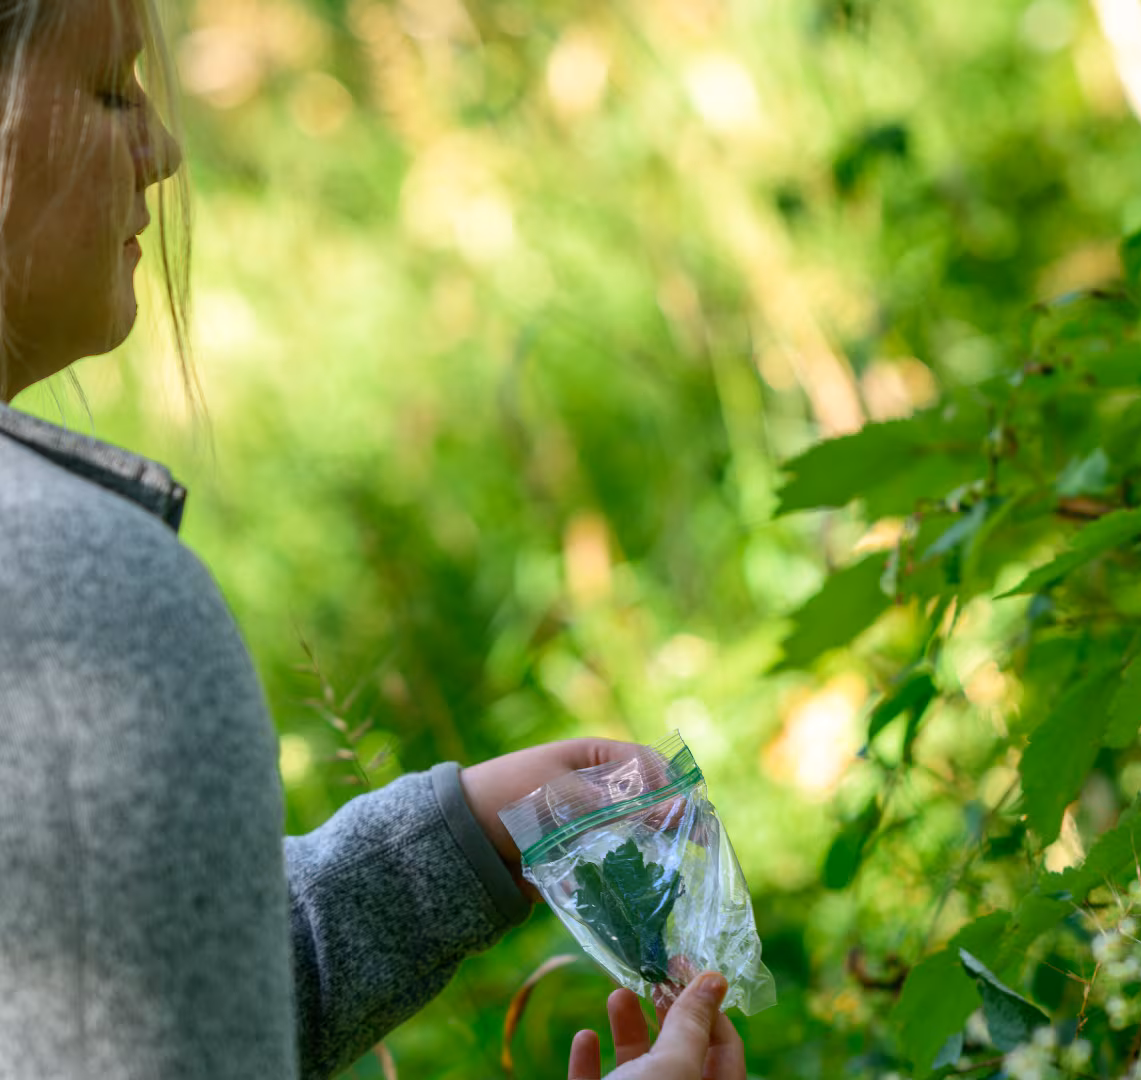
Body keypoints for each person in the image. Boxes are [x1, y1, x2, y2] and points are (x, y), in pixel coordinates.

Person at [0, 0, 743, 1077]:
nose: (161, 150)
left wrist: (454, 840)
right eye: (113, 89)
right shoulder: (81, 605)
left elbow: (132, 1009)